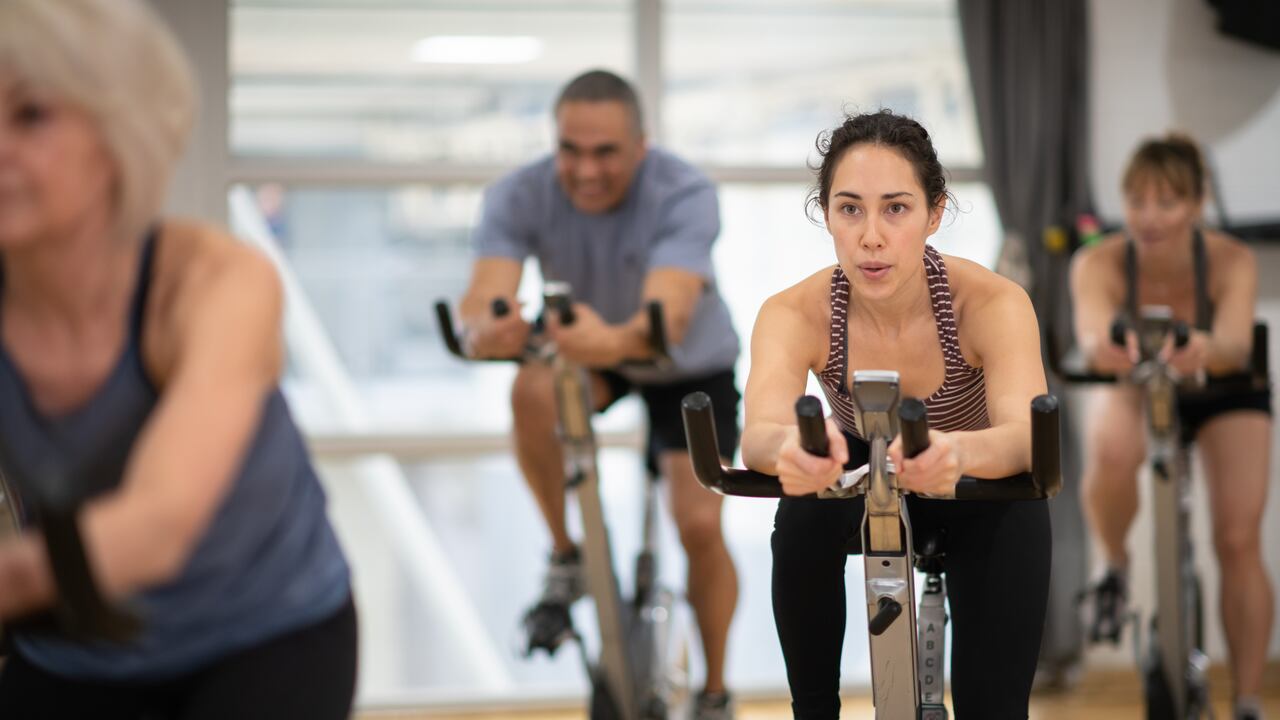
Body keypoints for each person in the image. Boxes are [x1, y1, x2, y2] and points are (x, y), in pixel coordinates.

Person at [0, 1, 356, 717]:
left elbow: (159, 524)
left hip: (265, 631)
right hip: (78, 646)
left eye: (30, 116)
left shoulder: (211, 283)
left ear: (116, 138)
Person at [741, 110, 1051, 719]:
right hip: (859, 459)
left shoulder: (991, 303)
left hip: (975, 470)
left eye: (897, 209)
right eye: (850, 208)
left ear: (934, 214)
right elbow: (759, 432)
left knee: (1020, 507)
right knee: (802, 505)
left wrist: (956, 452)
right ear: (825, 213)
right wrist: (791, 453)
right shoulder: (794, 312)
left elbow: (1024, 437)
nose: (872, 237)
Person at [459, 69, 740, 719]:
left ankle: (717, 690)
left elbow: (663, 322)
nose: (586, 170)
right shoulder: (519, 194)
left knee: (698, 525)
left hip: (682, 360)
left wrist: (603, 341)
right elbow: (482, 299)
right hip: (591, 352)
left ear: (641, 145)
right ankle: (566, 555)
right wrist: (487, 327)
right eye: (571, 150)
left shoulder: (684, 192)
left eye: (606, 152)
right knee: (532, 390)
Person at [1071, 133, 1273, 720]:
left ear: (1196, 204)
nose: (1149, 217)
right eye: (1137, 202)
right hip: (1144, 383)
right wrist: (1105, 349)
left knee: (1237, 540)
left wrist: (1204, 346)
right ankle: (1113, 566)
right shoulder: (1100, 261)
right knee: (1111, 451)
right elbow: (1089, 335)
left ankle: (1249, 700)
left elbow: (1235, 344)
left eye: (1167, 202)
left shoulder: (1229, 258)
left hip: (1224, 388)